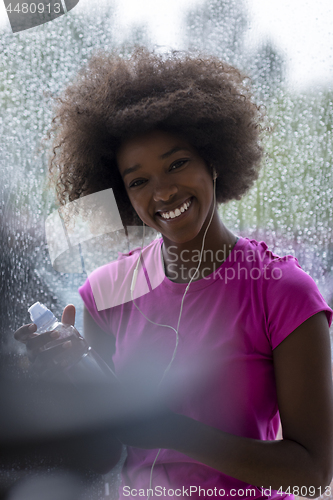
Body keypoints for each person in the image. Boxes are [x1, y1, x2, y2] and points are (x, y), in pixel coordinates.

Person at [15, 48, 333, 499]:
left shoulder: (283, 293)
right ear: (122, 195)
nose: (163, 191)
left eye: (177, 163)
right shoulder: (106, 293)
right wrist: (67, 375)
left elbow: (313, 475)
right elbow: (105, 452)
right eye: (138, 181)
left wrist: (176, 432)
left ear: (215, 161)